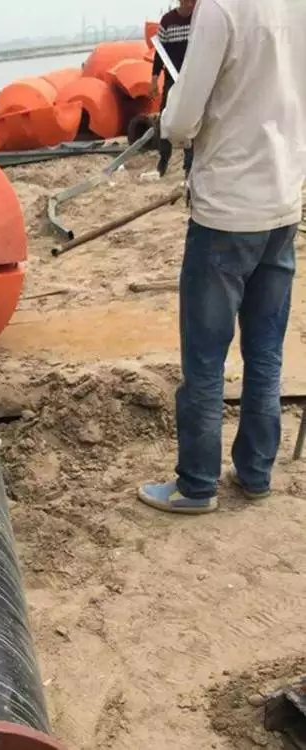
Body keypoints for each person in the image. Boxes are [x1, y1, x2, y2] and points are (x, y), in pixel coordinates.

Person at [138, 0, 306, 514]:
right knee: (265, 352)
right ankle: (256, 473)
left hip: (226, 212)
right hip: (282, 204)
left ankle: (196, 486)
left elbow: (184, 116)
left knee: (206, 361)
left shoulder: (220, 9)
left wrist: (168, 126)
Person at [149, 0, 195, 177]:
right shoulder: (167, 21)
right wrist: (154, 79)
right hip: (171, 79)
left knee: (193, 120)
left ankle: (189, 164)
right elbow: (160, 54)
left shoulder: (198, 20)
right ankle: (163, 159)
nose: (190, 4)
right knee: (165, 119)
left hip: (192, 78)